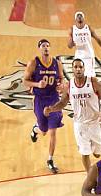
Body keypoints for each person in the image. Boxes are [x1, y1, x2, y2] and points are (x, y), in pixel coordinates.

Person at [44, 58, 101, 173]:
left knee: (98, 154)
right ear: (72, 70)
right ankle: (90, 178)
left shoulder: (93, 82)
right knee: (85, 153)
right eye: (76, 67)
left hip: (95, 123)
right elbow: (63, 102)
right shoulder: (69, 86)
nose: (78, 69)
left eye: (80, 67)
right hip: (80, 125)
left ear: (84, 69)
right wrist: (52, 109)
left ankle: (95, 163)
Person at [23, 39, 64, 174]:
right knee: (44, 131)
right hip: (40, 100)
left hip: (53, 100)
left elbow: (62, 79)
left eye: (47, 45)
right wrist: (36, 85)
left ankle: (50, 160)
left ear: (50, 48)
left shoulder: (57, 64)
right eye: (43, 46)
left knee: (53, 131)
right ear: (39, 49)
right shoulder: (33, 63)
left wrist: (60, 85)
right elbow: (25, 81)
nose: (45, 48)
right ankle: (36, 129)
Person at [68, 10, 101, 78]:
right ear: (75, 19)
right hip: (78, 56)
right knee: (77, 76)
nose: (79, 17)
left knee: (90, 76)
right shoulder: (72, 29)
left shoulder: (88, 28)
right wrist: (72, 43)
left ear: (83, 18)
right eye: (78, 16)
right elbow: (69, 46)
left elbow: (98, 40)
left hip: (89, 55)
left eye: (81, 16)